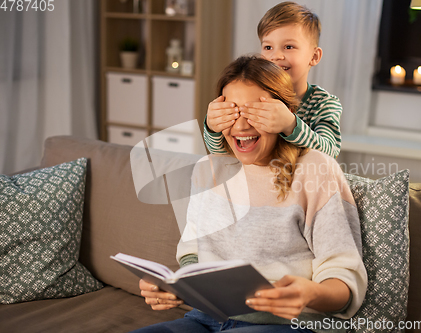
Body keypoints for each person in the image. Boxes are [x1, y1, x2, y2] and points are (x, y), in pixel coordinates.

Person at [134, 56, 366, 333]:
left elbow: (344, 280)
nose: (241, 127)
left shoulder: (316, 169)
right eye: (231, 113)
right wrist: (174, 287)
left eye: (255, 113)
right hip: (203, 318)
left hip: (284, 325)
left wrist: (310, 293)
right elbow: (192, 253)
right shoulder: (209, 168)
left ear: (283, 113)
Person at [204, 1, 343, 159]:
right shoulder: (252, 96)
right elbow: (225, 155)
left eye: (288, 47)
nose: (275, 56)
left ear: (314, 56)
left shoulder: (323, 103)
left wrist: (290, 125)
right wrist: (212, 128)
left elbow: (329, 153)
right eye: (268, 47)